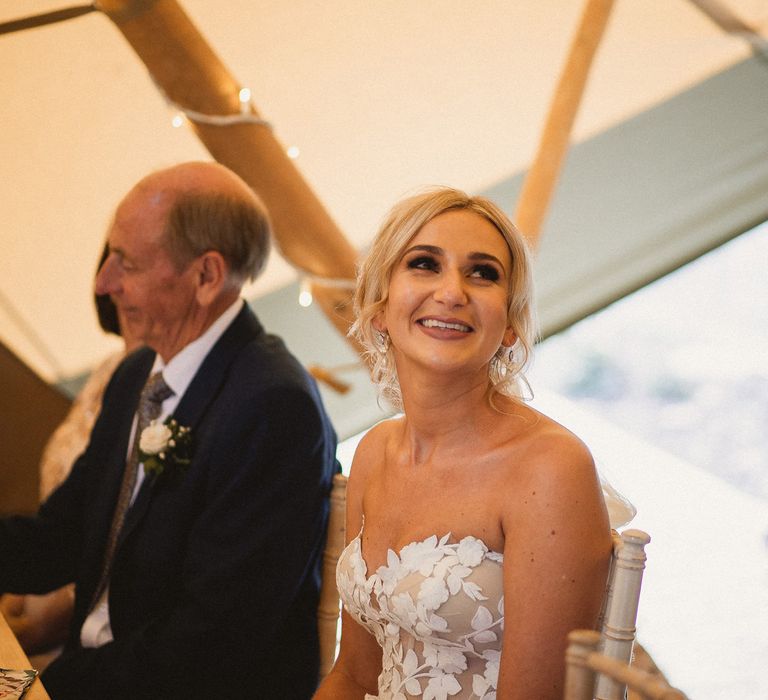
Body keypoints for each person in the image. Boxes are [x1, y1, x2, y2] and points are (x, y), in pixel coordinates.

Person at [0, 161, 338, 699]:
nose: (102, 281)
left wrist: (35, 687)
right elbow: (62, 536)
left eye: (125, 262)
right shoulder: (137, 373)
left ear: (205, 276)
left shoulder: (274, 408)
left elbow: (209, 644)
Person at [315, 187, 612, 699]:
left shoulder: (549, 468)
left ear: (510, 327)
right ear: (380, 308)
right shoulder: (374, 451)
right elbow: (355, 675)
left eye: (483, 273)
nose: (452, 293)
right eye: (424, 264)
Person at [0, 255, 140, 667]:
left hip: (82, 631)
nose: (106, 281)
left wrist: (44, 624)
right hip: (37, 590)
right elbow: (64, 525)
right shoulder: (110, 372)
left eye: (127, 264)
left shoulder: (168, 391)